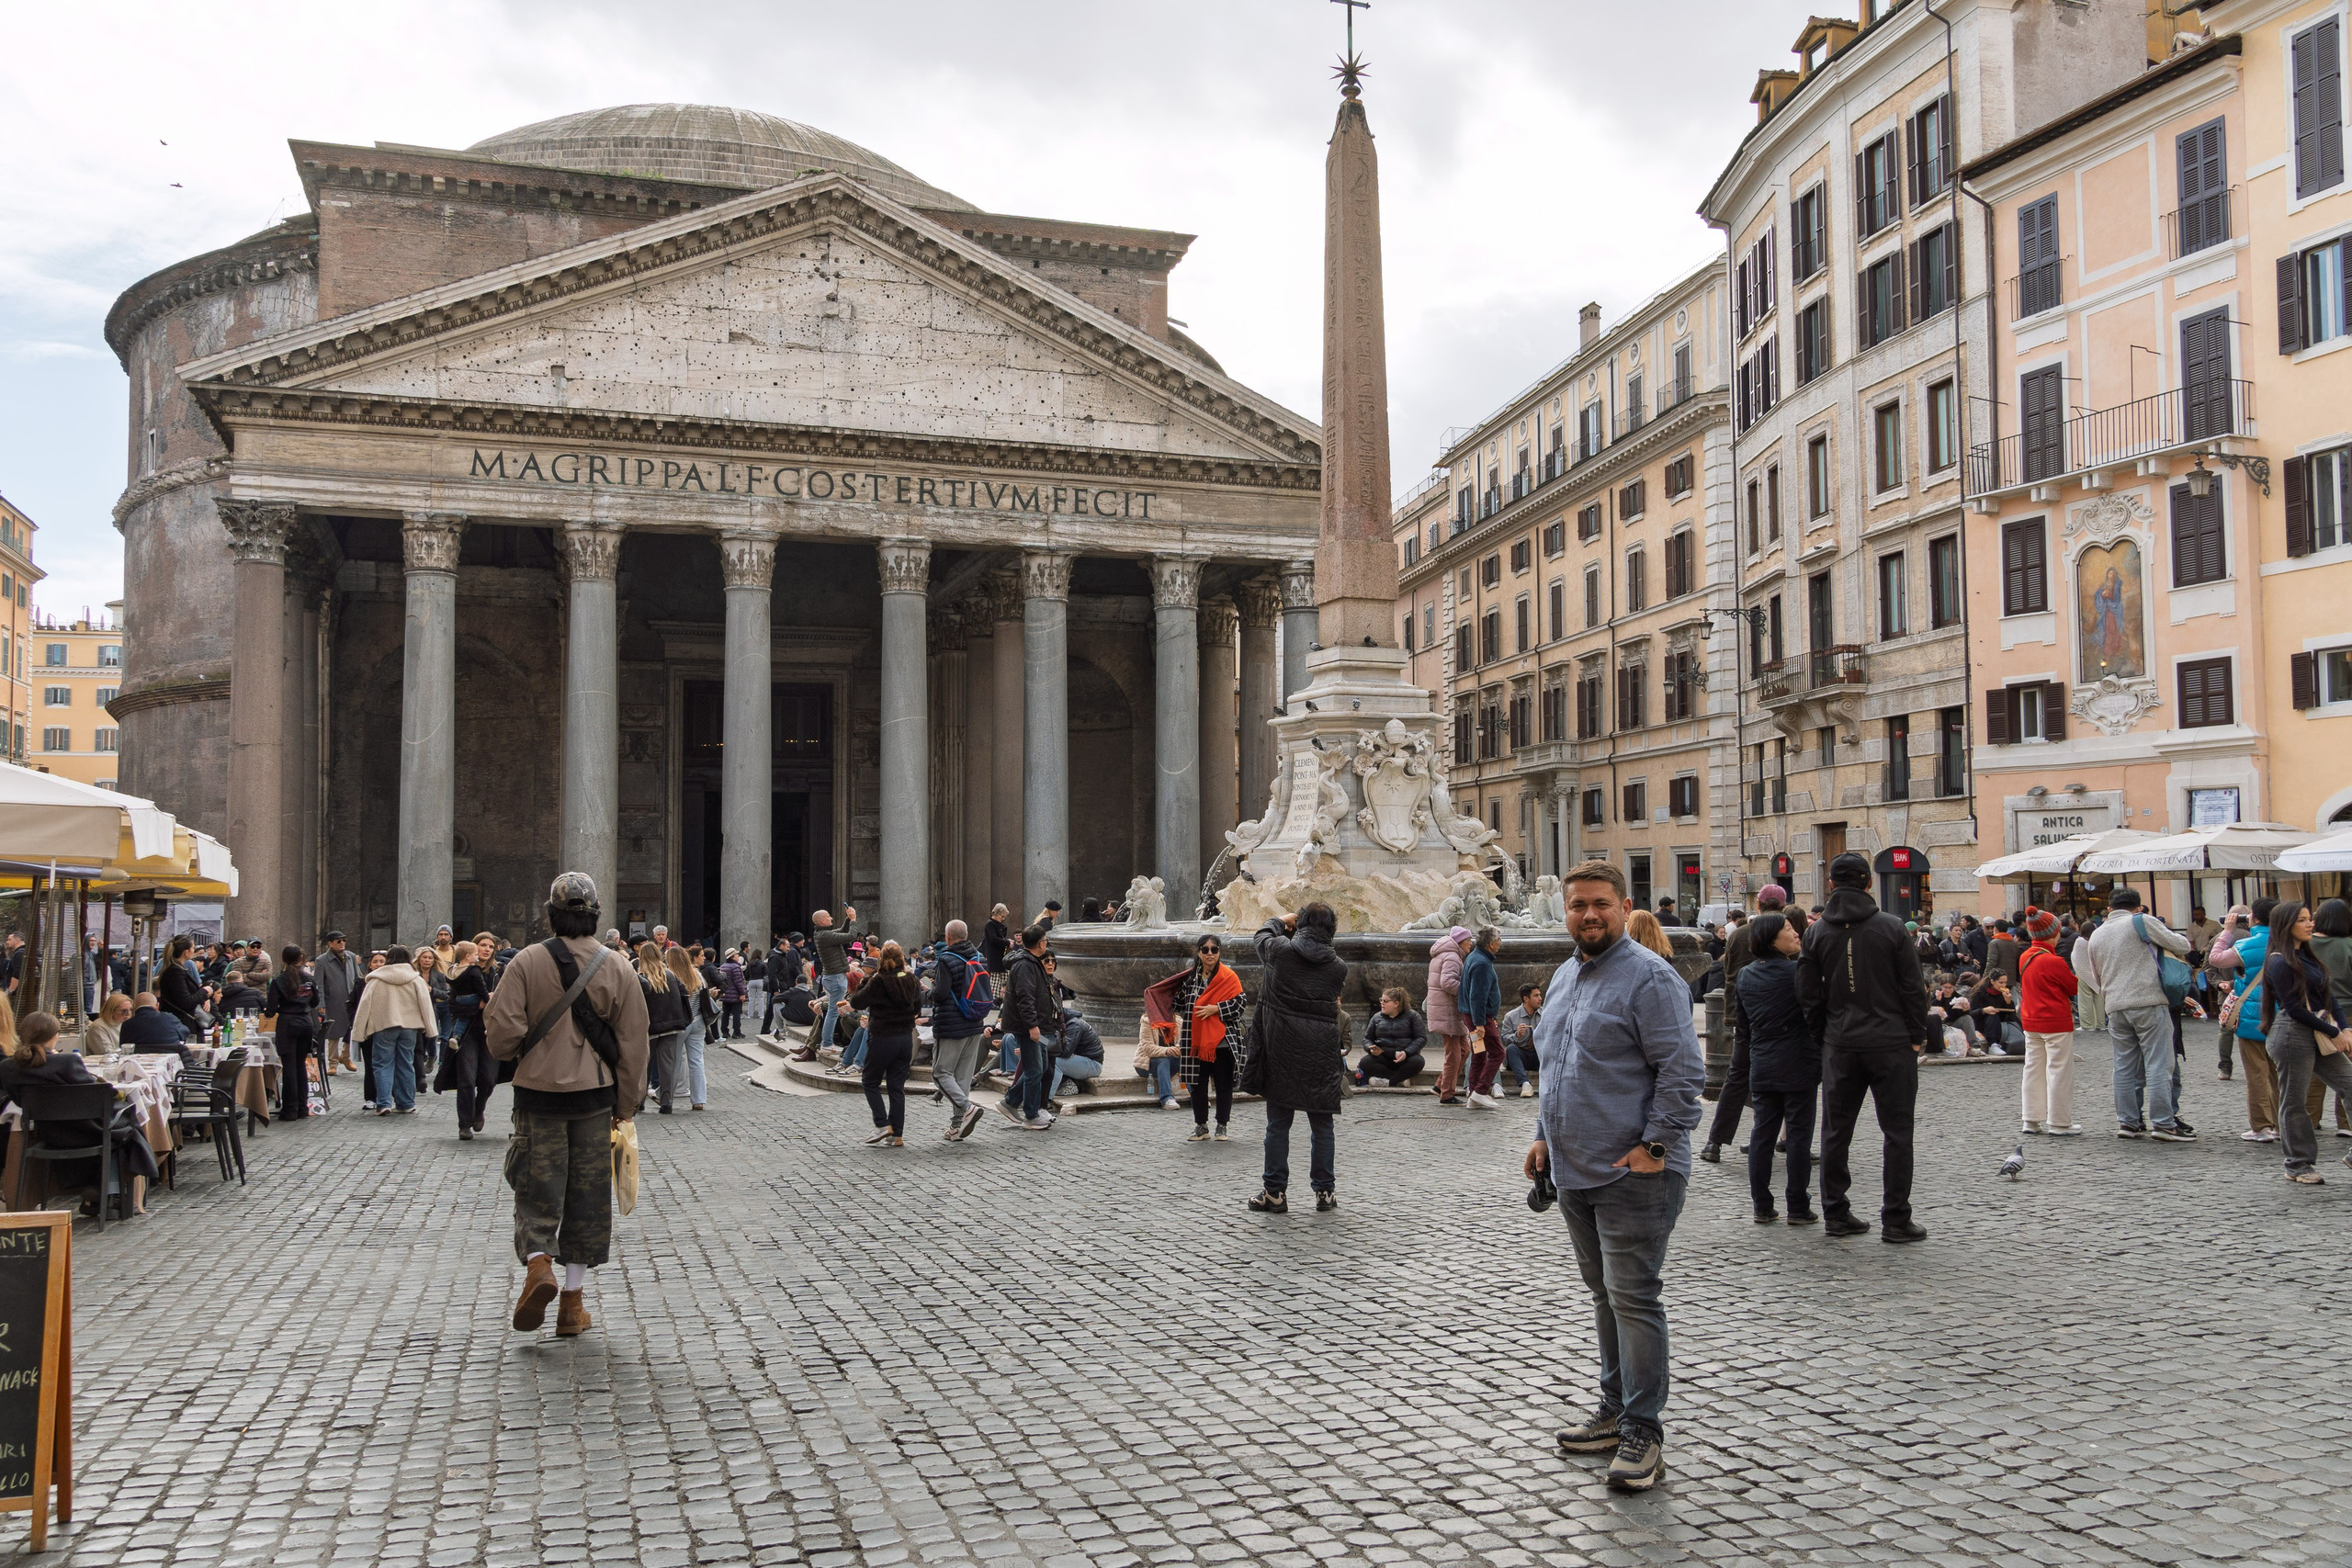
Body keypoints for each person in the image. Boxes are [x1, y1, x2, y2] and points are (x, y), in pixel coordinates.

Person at [1527, 861, 1704, 1492]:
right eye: (1578, 905)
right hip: (1574, 1167)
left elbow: (1682, 1072)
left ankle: (1643, 1430)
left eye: (1601, 903)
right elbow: (1557, 1065)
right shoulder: (1565, 974)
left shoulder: (1651, 978)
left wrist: (1653, 1145)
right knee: (1604, 1295)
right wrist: (1543, 1136)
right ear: (1565, 910)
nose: (1590, 914)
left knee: (1633, 1298)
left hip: (1636, 1170)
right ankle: (1612, 1408)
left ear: (1622, 906)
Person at [484, 872, 650, 1338]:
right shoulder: (618, 966)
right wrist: (627, 1105)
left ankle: (539, 1267)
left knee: (536, 1187)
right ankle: (572, 1307)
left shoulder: (524, 962)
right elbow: (634, 1044)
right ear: (595, 916)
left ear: (551, 915)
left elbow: (502, 1037)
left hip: (538, 1097)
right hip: (595, 1101)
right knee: (587, 1199)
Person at [1797, 851, 1930, 1243]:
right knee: (1898, 1132)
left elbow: (1807, 993)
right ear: (1868, 882)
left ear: (1832, 884)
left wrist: (1823, 1033)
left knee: (1836, 1132)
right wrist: (1917, 1035)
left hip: (1841, 1042)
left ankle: (1836, 1213)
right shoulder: (1891, 928)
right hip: (1890, 1042)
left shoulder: (1817, 932)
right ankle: (1895, 1218)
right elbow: (1912, 988)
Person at [1242, 903, 1349, 1213]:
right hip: (1321, 1050)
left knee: (1278, 1124)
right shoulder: (1338, 967)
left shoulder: (1280, 951)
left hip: (1282, 1047)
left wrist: (1280, 921)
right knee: (1322, 1125)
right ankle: (1325, 1193)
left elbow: (1260, 936)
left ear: (1300, 924)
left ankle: (1274, 1193)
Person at [0, 1011, 160, 1213]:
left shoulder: (8, 1067)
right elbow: (93, 1095)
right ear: (54, 1036)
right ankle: (113, 1192)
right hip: (86, 1133)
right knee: (127, 1123)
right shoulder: (67, 1061)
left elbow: (18, 1100)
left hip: (46, 1132)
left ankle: (101, 1192)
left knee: (120, 1123)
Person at [2076, 886, 2194, 1141]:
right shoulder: (2141, 921)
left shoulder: (2096, 934)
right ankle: (2163, 1123)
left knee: (2124, 1066)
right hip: (2148, 1001)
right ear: (2138, 907)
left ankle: (2128, 1122)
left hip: (2115, 1006)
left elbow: (2096, 976)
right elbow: (2182, 945)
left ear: (2109, 909)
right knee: (2159, 1063)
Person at [1702, 887, 1804, 1164]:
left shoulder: (1738, 934)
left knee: (1736, 1078)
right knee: (1785, 1082)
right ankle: (1776, 1139)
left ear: (1757, 904)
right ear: (1783, 907)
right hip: (1782, 1020)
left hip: (1743, 1015)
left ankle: (1715, 1142)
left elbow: (1730, 975)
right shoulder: (1786, 935)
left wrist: (1733, 1015)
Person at [1734, 913, 1820, 1224]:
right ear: (1772, 939)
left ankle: (1762, 1205)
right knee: (1797, 1136)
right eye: (1788, 930)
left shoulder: (1745, 975)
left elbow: (1742, 1027)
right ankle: (1797, 1206)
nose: (1796, 933)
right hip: (1798, 1060)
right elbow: (1815, 1015)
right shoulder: (1798, 972)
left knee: (1762, 1135)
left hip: (1763, 1060)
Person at [2258, 902, 2352, 1185]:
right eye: (2302, 920)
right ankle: (2298, 1164)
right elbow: (2294, 1008)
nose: (2310, 924)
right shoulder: (2278, 961)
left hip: (2317, 1030)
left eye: (2310, 919)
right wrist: (2335, 1032)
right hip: (2292, 1035)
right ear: (2287, 925)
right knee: (2295, 1101)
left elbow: (2329, 996)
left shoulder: (2307, 955)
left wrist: (2345, 1027)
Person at [1168, 932, 1246, 1141]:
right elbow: (1177, 1003)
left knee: (1223, 1085)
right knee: (1197, 1085)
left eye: (1214, 949)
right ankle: (1201, 1126)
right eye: (1205, 950)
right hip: (1196, 1042)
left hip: (1223, 1043)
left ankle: (1222, 1125)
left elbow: (1240, 1005)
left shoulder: (1229, 977)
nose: (1210, 953)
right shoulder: (1190, 979)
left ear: (1219, 952)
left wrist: (1216, 1009)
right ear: (1199, 953)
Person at [846, 941, 922, 1145]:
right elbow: (918, 1007)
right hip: (905, 1038)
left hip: (883, 1037)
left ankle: (881, 1123)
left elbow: (856, 1002)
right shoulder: (911, 979)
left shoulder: (879, 980)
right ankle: (897, 1134)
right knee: (897, 1087)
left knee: (870, 1081)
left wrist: (864, 984)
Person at [350, 944, 438, 1116]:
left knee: (382, 1064)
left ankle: (383, 1103)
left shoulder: (376, 980)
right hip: (410, 1028)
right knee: (406, 1063)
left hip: (383, 1027)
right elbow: (426, 1006)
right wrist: (431, 1030)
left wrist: (358, 1032)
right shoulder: (416, 979)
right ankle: (406, 1103)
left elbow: (364, 1006)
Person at [2016, 907, 2081, 1136]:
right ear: (2052, 934)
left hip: (2031, 1021)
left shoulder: (2025, 956)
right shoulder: (2053, 960)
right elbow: (2073, 987)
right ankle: (2059, 1122)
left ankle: (2030, 1119)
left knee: (2032, 1070)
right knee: (2059, 1071)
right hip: (2055, 1022)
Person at [928, 919, 991, 1141]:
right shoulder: (979, 957)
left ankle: (967, 1108)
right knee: (962, 1078)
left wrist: (925, 992)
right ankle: (956, 1127)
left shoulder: (946, 958)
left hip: (951, 1025)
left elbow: (941, 993)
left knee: (940, 1073)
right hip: (975, 1023)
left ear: (948, 937)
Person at [994, 922, 1057, 1130]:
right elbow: (1025, 997)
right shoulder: (1025, 964)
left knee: (1036, 1070)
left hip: (1033, 1024)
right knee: (1034, 1071)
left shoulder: (1030, 961)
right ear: (1041, 944)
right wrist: (1032, 1025)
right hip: (1027, 1026)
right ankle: (1030, 1115)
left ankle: (1010, 1102)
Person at [262, 944, 323, 1122]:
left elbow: (271, 1009)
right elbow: (315, 1003)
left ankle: (290, 1109)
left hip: (287, 1023)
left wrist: (268, 1011)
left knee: (289, 1067)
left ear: (283, 959)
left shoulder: (280, 980)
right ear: (302, 959)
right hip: (305, 1023)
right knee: (300, 1065)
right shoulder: (309, 980)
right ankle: (303, 1107)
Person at [446, 939, 499, 1138]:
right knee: (466, 1077)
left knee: (489, 1079)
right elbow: (453, 1005)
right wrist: (475, 1007)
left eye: (491, 946)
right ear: (473, 950)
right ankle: (465, 1124)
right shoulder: (460, 973)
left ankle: (479, 1109)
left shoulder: (497, 973)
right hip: (467, 1030)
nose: (487, 949)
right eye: (483, 945)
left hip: (490, 1031)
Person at [661, 945, 714, 1112]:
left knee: (673, 1060)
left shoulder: (670, 976)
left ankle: (667, 1098)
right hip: (698, 1021)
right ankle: (699, 1099)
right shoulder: (697, 974)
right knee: (696, 1060)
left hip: (680, 1023)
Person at [1460, 926, 1506, 1109]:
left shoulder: (1473, 957)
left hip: (1472, 1016)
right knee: (1498, 1053)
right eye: (1499, 940)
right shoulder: (1482, 964)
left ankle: (1473, 1096)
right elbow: (1477, 995)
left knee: (1479, 1054)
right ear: (1492, 944)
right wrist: (1480, 1023)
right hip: (1480, 1018)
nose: (1500, 944)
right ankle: (1480, 1091)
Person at [1424, 927, 1471, 1106]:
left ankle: (1439, 1085)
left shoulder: (1445, 954)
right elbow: (1448, 983)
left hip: (1447, 1011)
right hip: (1448, 1012)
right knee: (1454, 1054)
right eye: (1468, 940)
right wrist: (1466, 992)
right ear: (1460, 941)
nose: (1471, 943)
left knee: (1464, 1049)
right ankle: (1447, 1094)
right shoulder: (1451, 956)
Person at [808, 907, 864, 1056]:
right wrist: (853, 920)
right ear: (822, 921)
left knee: (833, 1011)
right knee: (833, 1012)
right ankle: (827, 1044)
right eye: (829, 916)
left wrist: (847, 919)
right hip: (836, 977)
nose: (831, 918)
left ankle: (826, 1043)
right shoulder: (824, 935)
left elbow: (841, 931)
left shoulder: (822, 934)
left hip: (832, 977)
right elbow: (851, 936)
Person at [1355, 987, 1426, 1087]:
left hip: (1405, 1057)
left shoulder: (1413, 1016)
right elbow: (1367, 1039)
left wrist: (1406, 1052)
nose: (1382, 1003)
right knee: (1364, 1063)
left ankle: (1388, 1082)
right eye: (1381, 1000)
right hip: (1383, 1057)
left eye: (1385, 1001)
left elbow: (1421, 1038)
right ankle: (1398, 1080)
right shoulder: (1376, 1017)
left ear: (1396, 1004)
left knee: (1418, 1062)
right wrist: (1370, 1048)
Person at [316, 931, 363, 1076]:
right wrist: (320, 1004)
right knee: (333, 1032)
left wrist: (360, 996)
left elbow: (357, 978)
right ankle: (333, 1062)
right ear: (330, 943)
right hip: (333, 1000)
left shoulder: (350, 956)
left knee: (351, 1030)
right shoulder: (321, 960)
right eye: (338, 941)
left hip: (350, 1000)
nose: (342, 943)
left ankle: (345, 1056)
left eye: (343, 940)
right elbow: (319, 984)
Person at [1046, 1009, 1105, 1108]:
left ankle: (1046, 1099)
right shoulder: (1067, 1023)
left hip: (1093, 1064)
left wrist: (1042, 1040)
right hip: (1083, 1060)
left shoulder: (1075, 1025)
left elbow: (1066, 1052)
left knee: (1057, 1062)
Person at [157, 934, 210, 1033]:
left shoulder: (176, 969)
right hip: (181, 1023)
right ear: (186, 952)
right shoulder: (175, 972)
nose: (194, 950)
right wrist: (204, 991)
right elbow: (186, 1001)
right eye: (193, 948)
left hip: (180, 1021)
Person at [1498, 983, 1542, 1098]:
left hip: (1538, 1054)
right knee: (1511, 1049)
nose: (1540, 999)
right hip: (1520, 1056)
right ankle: (1525, 1084)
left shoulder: (1545, 1014)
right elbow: (1504, 1040)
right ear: (1526, 999)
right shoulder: (1511, 1016)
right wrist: (1517, 1036)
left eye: (1539, 995)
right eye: (1536, 996)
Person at [1966, 971, 2023, 1055]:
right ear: (1992, 981)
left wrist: (2008, 1002)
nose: (2003, 985)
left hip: (2002, 1023)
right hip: (1984, 1023)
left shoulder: (2004, 993)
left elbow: (2011, 1012)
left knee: (2013, 1018)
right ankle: (1992, 1045)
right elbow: (1972, 1013)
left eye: (2005, 982)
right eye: (2001, 982)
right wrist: (1984, 1010)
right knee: (1993, 1015)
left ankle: (2021, 1037)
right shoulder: (1980, 993)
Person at [85, 991, 134, 1055]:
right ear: (112, 1011)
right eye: (124, 1011)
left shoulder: (124, 1024)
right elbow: (106, 1053)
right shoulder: (98, 1027)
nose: (129, 1014)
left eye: (131, 1010)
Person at [982, 904, 1012, 976]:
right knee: (995, 984)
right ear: (997, 913)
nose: (1003, 918)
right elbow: (994, 938)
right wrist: (1007, 942)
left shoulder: (993, 924)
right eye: (1002, 916)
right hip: (995, 960)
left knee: (1002, 981)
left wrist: (1006, 941)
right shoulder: (990, 924)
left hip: (998, 960)